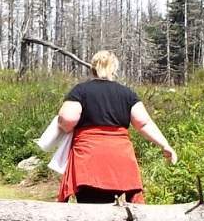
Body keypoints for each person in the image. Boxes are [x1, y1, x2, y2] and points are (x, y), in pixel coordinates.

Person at [55, 50, 177, 203]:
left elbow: (67, 118)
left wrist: (63, 128)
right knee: (120, 212)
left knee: (90, 208)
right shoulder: (127, 94)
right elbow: (144, 123)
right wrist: (165, 145)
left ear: (93, 68)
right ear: (114, 69)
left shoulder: (80, 91)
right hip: (120, 161)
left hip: (89, 160)